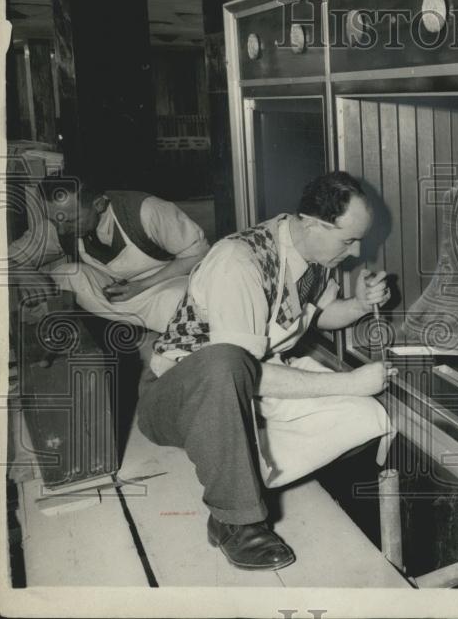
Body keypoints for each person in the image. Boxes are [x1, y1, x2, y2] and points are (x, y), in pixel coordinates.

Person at [140, 171, 395, 571]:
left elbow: (317, 316)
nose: (357, 250)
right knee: (227, 362)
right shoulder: (238, 261)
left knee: (367, 418)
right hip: (178, 396)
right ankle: (234, 519)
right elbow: (241, 372)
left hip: (252, 390)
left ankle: (246, 470)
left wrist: (360, 304)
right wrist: (345, 382)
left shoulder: (312, 254)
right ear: (312, 222)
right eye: (348, 239)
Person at [7, 175, 210, 335]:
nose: (61, 230)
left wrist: (141, 286)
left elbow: (198, 254)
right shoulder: (59, 225)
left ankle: (154, 330)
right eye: (54, 220)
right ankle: (141, 328)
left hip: (164, 284)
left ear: (99, 204)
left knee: (181, 299)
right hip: (116, 294)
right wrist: (22, 271)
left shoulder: (146, 210)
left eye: (71, 221)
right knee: (66, 274)